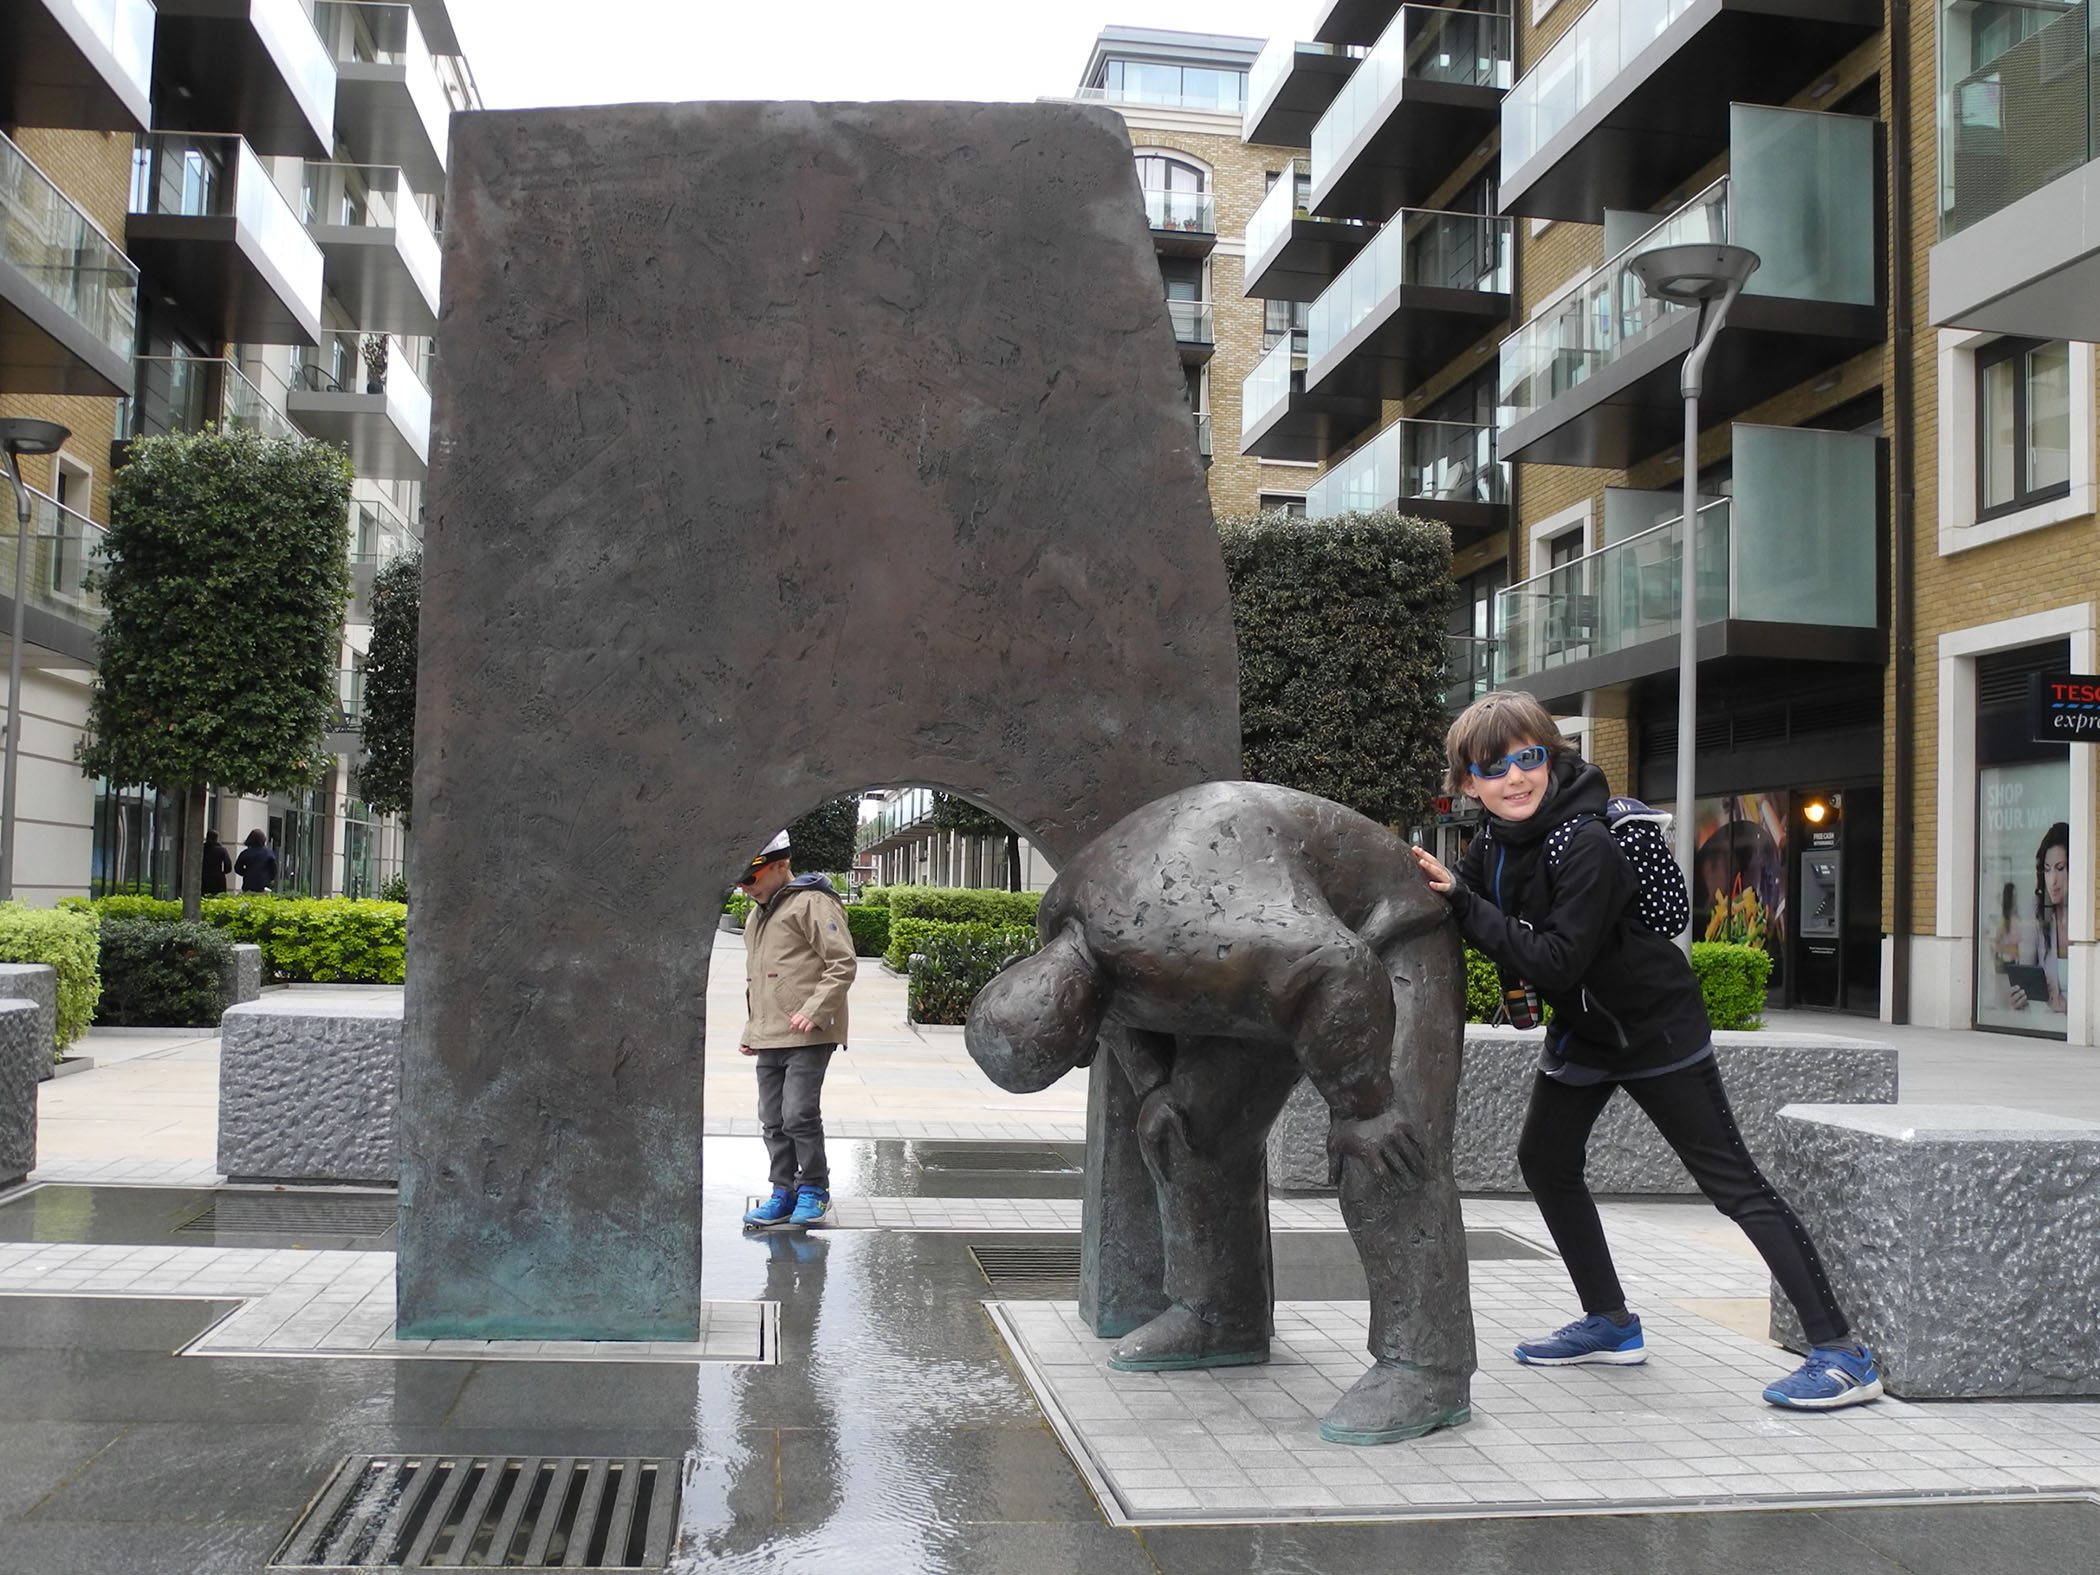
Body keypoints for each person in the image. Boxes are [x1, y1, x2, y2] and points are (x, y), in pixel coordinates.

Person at [1409, 690, 1883, 1411]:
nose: (1515, 777)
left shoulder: (1584, 842)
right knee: (1546, 1161)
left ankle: (1843, 1353)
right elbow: (1460, 901)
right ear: (1468, 784)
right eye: (1493, 767)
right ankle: (1610, 1320)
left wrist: (1465, 906)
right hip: (1587, 1030)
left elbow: (1558, 957)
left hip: (1655, 1029)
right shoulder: (1496, 845)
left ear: (1550, 757)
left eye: (1528, 757)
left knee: (1733, 1185)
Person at [736, 831, 856, 1230]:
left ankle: (814, 1188)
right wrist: (752, 1029)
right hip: (770, 1033)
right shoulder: (757, 915)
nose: (745, 887)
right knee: (772, 1118)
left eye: (751, 877)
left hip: (808, 1032)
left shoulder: (812, 902)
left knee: (799, 1113)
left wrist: (815, 1010)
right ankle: (783, 1190)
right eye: (739, 880)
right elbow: (758, 979)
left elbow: (842, 962)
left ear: (781, 865)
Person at [2008, 822, 2070, 1014]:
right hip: (2045, 1021)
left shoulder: (2088, 915)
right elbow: (2025, 976)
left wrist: (2069, 1007)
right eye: (2047, 869)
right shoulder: (2036, 910)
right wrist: (2018, 997)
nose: (2053, 880)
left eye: (2060, 868)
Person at [233, 828, 277, 894]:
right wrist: (267, 877)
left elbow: (237, 868)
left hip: (248, 884)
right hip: (264, 885)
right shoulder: (269, 853)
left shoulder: (246, 853)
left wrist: (246, 873)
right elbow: (274, 870)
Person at [202, 829, 233, 897]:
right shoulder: (222, 850)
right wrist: (222, 873)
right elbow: (228, 866)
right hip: (218, 880)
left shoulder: (201, 849)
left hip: (203, 878)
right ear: (216, 838)